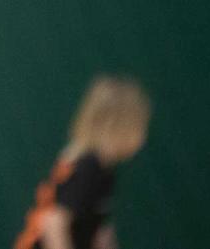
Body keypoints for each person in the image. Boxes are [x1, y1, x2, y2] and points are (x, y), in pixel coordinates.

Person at [14, 76, 152, 249]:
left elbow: (100, 231)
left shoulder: (104, 171)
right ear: (115, 126)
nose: (143, 136)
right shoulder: (88, 168)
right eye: (139, 127)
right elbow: (53, 223)